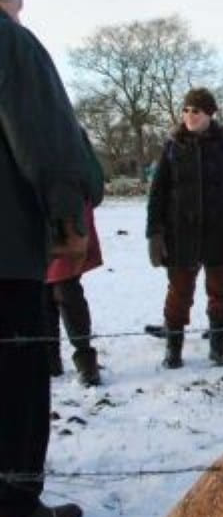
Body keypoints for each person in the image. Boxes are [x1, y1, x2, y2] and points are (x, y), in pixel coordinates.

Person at [0, 0, 89, 517]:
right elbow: (45, 139)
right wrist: (66, 214)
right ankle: (11, 508)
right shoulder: (9, 41)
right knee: (17, 373)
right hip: (6, 249)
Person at [146, 87, 223, 369]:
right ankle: (174, 349)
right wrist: (154, 232)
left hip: (217, 231)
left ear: (209, 114)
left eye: (197, 111)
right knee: (179, 292)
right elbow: (157, 193)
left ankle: (218, 347)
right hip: (180, 232)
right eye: (187, 110)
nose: (190, 115)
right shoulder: (171, 146)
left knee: (219, 291)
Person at [44, 129, 106, 386]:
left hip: (64, 220)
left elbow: (94, 183)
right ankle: (48, 362)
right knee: (40, 294)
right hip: (28, 222)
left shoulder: (67, 131)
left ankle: (85, 362)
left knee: (66, 291)